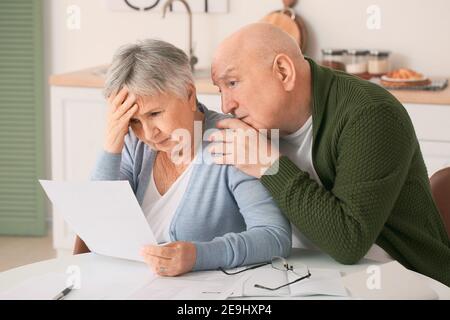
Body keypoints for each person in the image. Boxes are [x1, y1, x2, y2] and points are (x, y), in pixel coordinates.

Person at [208, 23, 450, 286]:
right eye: (220, 89)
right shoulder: (256, 126)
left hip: (403, 281)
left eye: (232, 83)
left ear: (283, 71)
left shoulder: (371, 114)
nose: (226, 105)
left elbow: (349, 241)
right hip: (306, 278)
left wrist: (269, 165)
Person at [75, 39, 291, 277]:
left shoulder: (232, 141)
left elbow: (273, 235)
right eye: (134, 121)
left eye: (155, 113)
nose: (148, 133)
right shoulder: (134, 144)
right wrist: (111, 144)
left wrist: (197, 256)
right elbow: (96, 222)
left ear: (189, 94)